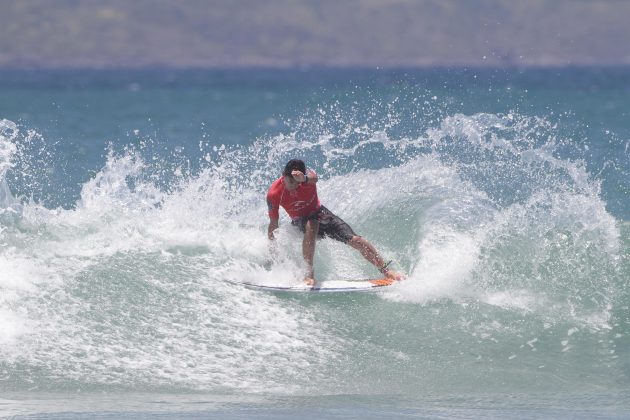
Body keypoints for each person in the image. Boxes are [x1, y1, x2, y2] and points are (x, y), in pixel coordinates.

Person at [266, 159, 404, 286]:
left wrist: (304, 179)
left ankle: (386, 270)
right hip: (300, 221)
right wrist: (273, 248)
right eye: (289, 182)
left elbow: (314, 178)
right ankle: (308, 275)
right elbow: (273, 223)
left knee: (355, 240)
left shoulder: (307, 179)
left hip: (321, 214)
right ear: (283, 176)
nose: (293, 186)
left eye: (297, 183)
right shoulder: (274, 193)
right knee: (311, 224)